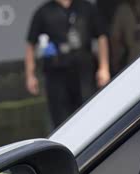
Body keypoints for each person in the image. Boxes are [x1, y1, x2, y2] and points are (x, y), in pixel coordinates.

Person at [25, 0, 111, 129]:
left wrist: (104, 67)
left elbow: (101, 36)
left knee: (89, 113)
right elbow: (30, 44)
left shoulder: (86, 7)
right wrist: (30, 75)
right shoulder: (43, 12)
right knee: (61, 120)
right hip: (56, 73)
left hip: (84, 71)